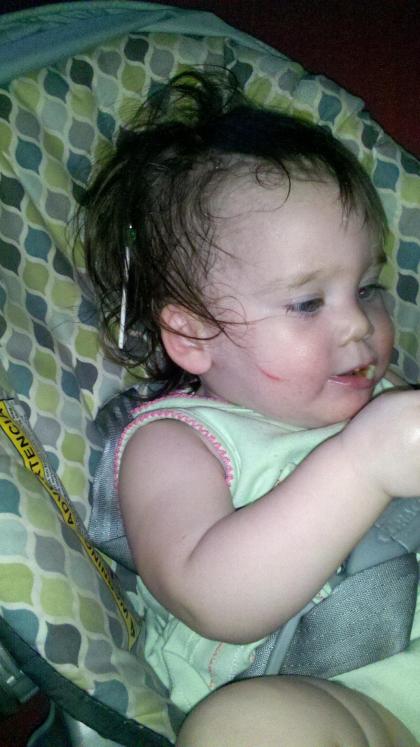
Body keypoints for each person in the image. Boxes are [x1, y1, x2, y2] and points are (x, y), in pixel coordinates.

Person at [79, 70, 419, 745]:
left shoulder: (387, 400)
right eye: (308, 302)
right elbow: (212, 597)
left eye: (368, 287)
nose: (360, 324)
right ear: (193, 335)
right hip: (338, 699)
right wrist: (364, 465)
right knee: (246, 727)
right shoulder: (175, 443)